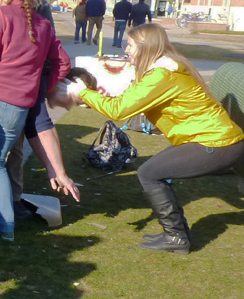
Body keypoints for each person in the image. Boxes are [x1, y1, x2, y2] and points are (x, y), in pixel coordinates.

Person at [60, 23, 244, 254]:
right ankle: (178, 234)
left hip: (217, 143)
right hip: (211, 140)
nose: (126, 50)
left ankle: (176, 237)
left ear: (146, 48)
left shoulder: (162, 74)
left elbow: (119, 111)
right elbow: (130, 101)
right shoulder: (162, 71)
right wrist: (98, 98)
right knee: (154, 171)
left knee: (150, 173)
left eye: (130, 45)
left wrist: (81, 92)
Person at [0, 0, 77, 242]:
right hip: (19, 107)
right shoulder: (44, 26)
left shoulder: (0, 15)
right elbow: (64, 63)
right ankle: (5, 227)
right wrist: (43, 85)